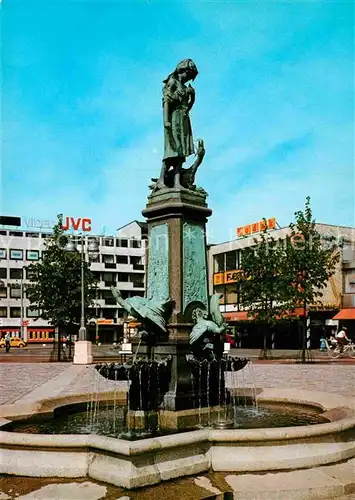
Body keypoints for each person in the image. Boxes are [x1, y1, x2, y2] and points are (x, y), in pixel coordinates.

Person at [156, 59, 198, 189]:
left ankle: (177, 182)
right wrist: (166, 120)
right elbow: (166, 102)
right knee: (172, 150)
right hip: (173, 120)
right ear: (182, 71)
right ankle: (161, 180)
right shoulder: (172, 82)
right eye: (188, 75)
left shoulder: (186, 88)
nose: (189, 79)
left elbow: (187, 107)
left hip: (183, 120)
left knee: (181, 153)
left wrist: (192, 97)